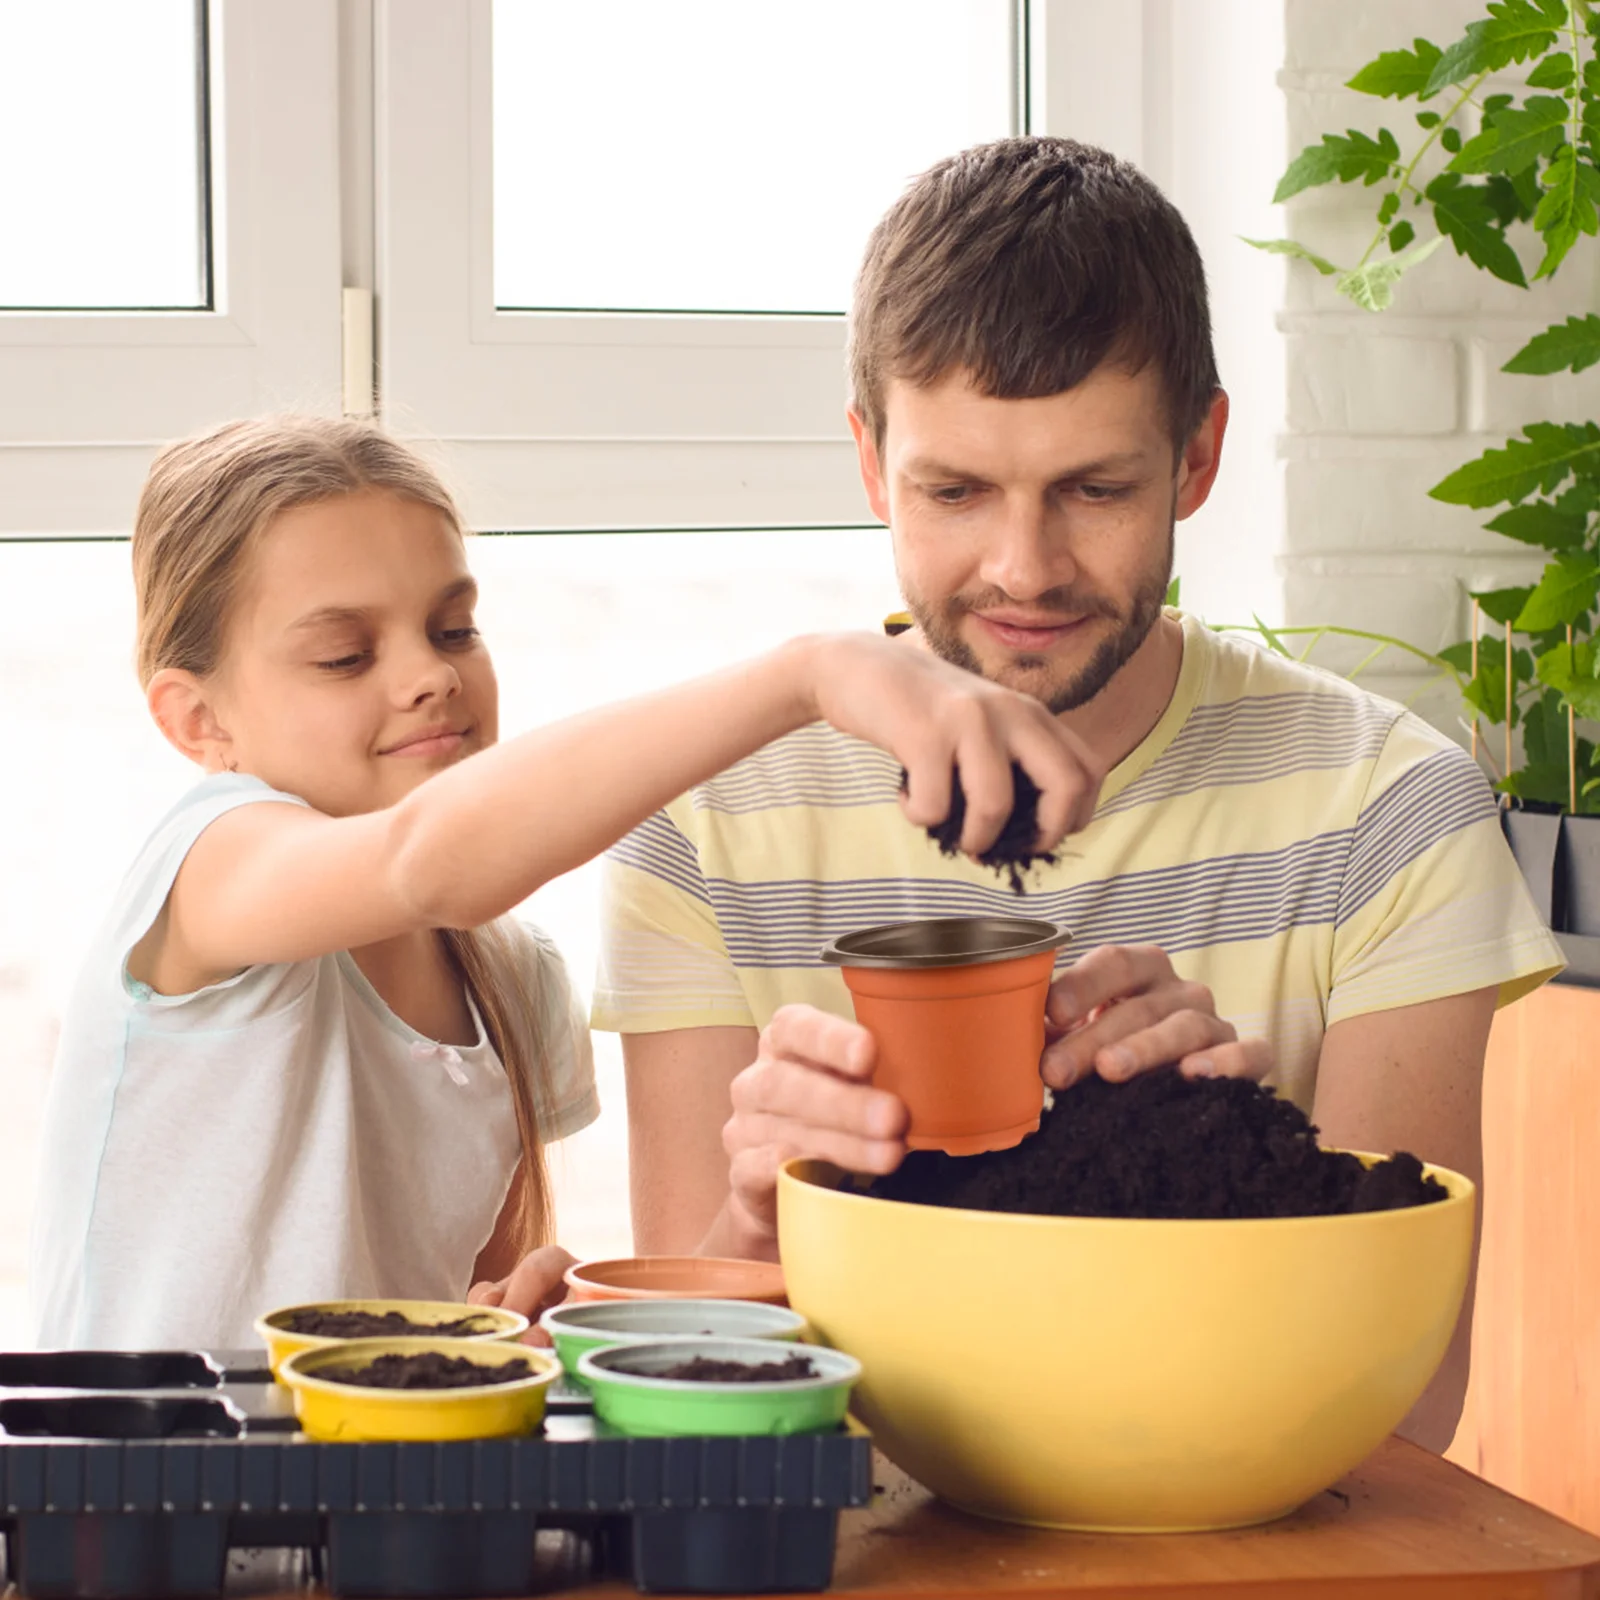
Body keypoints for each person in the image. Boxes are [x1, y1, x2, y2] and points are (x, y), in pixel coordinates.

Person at [592, 137, 1564, 1450]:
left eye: (1094, 490)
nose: (1024, 566)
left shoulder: (1386, 809)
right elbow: (695, 1400)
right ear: (873, 464)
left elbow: (1399, 1416)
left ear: (1197, 458)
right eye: (955, 491)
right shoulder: (709, 818)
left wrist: (1230, 1141)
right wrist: (764, 1214)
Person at [29, 414, 1100, 1352]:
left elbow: (460, 1326)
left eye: (453, 627)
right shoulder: (211, 868)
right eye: (346, 656)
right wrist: (810, 675)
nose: (431, 675)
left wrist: (535, 1321)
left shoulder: (509, 980)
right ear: (197, 720)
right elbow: (430, 861)